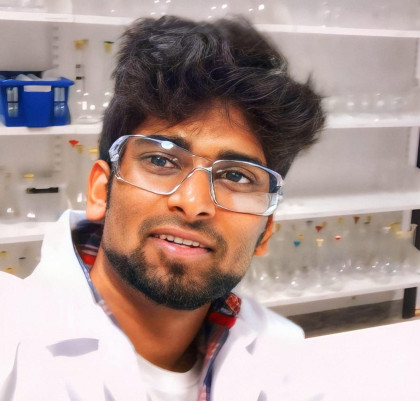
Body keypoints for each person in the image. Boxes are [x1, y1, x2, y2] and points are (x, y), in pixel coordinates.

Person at [0, 16, 324, 401]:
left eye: (237, 176)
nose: (194, 203)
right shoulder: (11, 333)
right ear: (101, 191)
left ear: (266, 230)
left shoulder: (284, 355)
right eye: (161, 161)